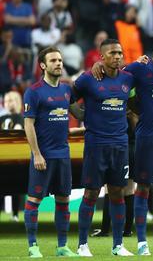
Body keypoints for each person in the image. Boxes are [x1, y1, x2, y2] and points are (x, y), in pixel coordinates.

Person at [90, 38, 153, 255]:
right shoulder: (138, 68)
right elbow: (114, 75)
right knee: (142, 188)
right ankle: (142, 243)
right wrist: (97, 65)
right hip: (146, 138)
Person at [73, 39, 135, 256]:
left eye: (120, 52)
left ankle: (118, 245)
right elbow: (68, 97)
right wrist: (81, 115)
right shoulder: (88, 79)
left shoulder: (128, 78)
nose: (117, 56)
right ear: (102, 57)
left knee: (117, 193)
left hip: (120, 145)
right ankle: (82, 244)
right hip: (96, 145)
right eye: (113, 53)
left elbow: (141, 86)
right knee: (91, 193)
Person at [22, 47, 79, 257]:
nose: (59, 63)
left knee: (63, 201)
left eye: (60, 60)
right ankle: (33, 246)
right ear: (43, 65)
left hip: (63, 155)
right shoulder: (34, 91)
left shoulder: (66, 90)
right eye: (54, 60)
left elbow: (78, 112)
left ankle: (62, 246)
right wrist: (36, 153)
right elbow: (28, 124)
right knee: (34, 200)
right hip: (43, 156)